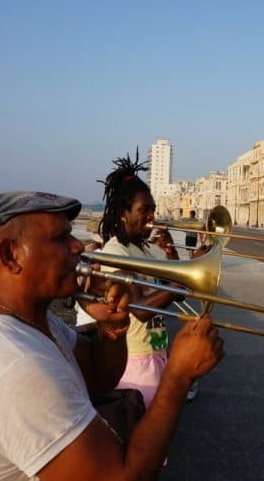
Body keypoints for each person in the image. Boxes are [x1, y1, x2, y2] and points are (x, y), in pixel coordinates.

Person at [0, 191, 224, 480]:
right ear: (11, 255)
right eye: (60, 238)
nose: (78, 246)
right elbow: (121, 477)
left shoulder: (28, 323)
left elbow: (98, 379)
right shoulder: (15, 365)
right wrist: (178, 375)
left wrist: (113, 328)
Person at [93, 152, 204, 408]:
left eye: (153, 209)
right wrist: (183, 275)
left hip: (156, 351)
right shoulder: (115, 252)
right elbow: (140, 309)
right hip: (134, 359)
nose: (151, 216)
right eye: (144, 210)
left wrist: (171, 254)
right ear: (124, 213)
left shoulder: (142, 250)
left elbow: (176, 293)